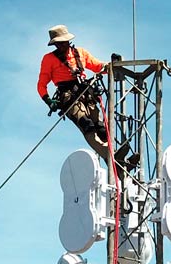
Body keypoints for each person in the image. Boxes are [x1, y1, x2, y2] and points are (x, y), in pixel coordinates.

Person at [37, 24, 137, 169]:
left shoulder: (80, 53)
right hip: (69, 97)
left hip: (86, 94)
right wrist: (48, 100)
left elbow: (98, 67)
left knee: (102, 128)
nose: (61, 46)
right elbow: (41, 84)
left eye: (62, 42)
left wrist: (112, 65)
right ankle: (111, 158)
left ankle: (119, 160)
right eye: (58, 44)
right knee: (87, 125)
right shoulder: (49, 59)